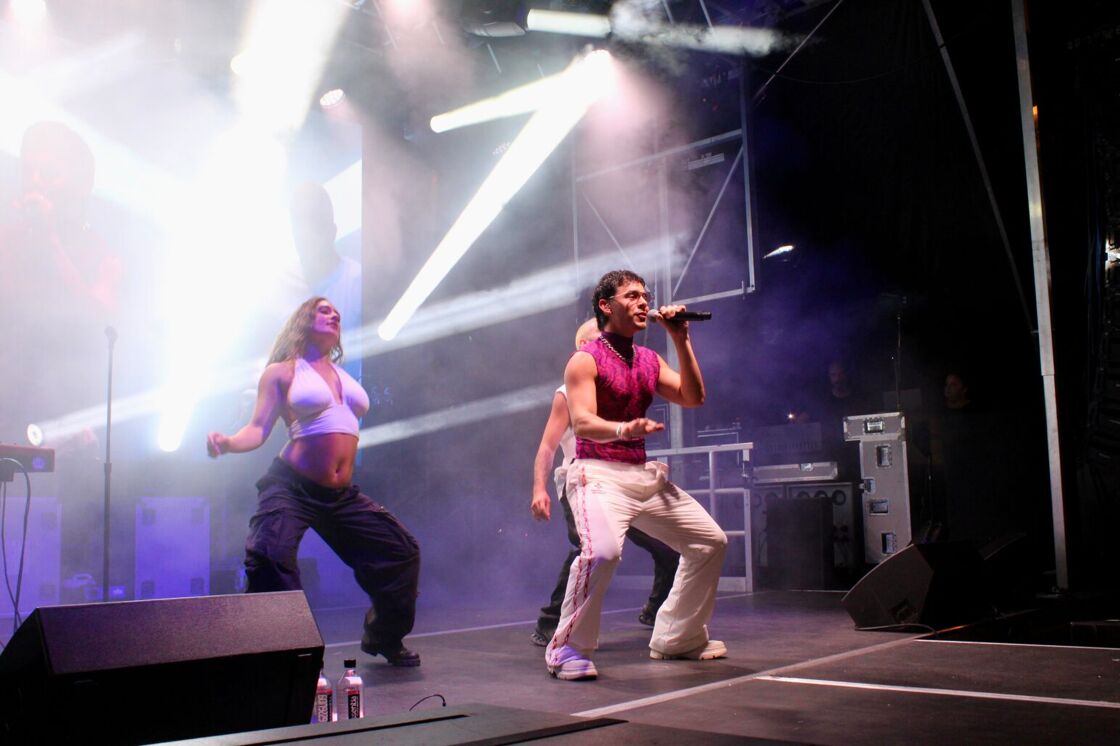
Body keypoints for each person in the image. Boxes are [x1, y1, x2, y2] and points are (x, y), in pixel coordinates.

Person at [206, 297, 421, 666]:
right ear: (302, 321)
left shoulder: (345, 376)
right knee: (269, 557)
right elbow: (257, 430)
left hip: (339, 495)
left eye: (336, 312)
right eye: (323, 310)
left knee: (400, 552)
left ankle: (384, 636)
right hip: (290, 487)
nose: (333, 314)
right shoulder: (282, 371)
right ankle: (289, 655)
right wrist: (227, 443)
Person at [545, 270, 728, 681]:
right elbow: (585, 423)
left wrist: (681, 339)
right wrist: (625, 429)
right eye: (632, 296)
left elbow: (693, 397)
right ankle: (566, 649)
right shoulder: (584, 359)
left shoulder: (648, 359)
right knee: (602, 553)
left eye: (646, 295)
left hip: (639, 476)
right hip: (596, 474)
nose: (644, 302)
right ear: (606, 306)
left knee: (709, 541)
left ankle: (677, 637)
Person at [530, 318, 680, 646]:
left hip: (624, 482)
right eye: (599, 339)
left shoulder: (621, 384)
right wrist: (539, 488)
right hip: (583, 482)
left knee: (668, 546)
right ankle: (550, 623)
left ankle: (656, 611)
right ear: (583, 349)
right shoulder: (567, 392)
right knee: (589, 549)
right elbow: (547, 446)